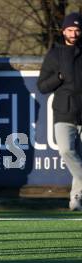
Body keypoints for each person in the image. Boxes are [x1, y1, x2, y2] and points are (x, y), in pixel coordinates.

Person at [37, 12, 82, 211]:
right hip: (64, 113)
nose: (74, 33)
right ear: (64, 30)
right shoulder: (55, 54)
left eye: (77, 29)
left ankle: (76, 199)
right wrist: (59, 77)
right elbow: (42, 86)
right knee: (65, 151)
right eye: (70, 29)